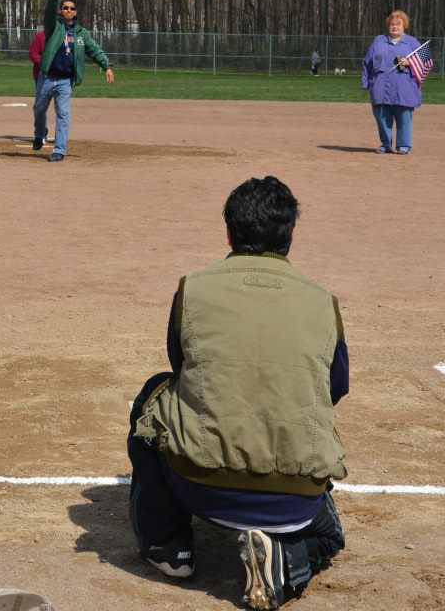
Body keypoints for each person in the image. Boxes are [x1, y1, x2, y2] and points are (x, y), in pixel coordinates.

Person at [128, 176, 348, 609]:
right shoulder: (324, 301)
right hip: (295, 502)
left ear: (229, 232)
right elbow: (334, 388)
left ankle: (170, 548)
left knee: (154, 394)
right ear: (291, 235)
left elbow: (181, 367)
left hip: (202, 485)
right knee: (329, 536)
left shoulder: (193, 286)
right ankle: (288, 562)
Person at [33, 0, 114, 162]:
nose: (68, 10)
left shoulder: (81, 33)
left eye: (72, 8)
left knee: (63, 114)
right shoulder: (53, 27)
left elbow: (94, 50)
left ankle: (59, 151)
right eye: (65, 8)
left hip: (65, 81)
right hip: (47, 78)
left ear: (75, 12)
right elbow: (48, 14)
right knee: (39, 109)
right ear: (60, 10)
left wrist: (106, 66)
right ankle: (39, 134)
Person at [361, 10, 425, 154]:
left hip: (405, 86)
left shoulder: (412, 42)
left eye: (398, 24)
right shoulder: (378, 40)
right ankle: (385, 144)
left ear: (405, 26)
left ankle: (404, 145)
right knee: (382, 116)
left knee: (404, 118)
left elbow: (425, 61)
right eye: (392, 24)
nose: (394, 26)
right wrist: (365, 82)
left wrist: (409, 62)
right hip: (380, 85)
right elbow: (367, 62)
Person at [28, 28, 49, 145]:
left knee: (62, 110)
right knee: (40, 107)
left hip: (60, 77)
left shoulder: (64, 35)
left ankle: (61, 139)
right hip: (41, 76)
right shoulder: (41, 36)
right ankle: (41, 133)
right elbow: (32, 52)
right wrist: (43, 63)